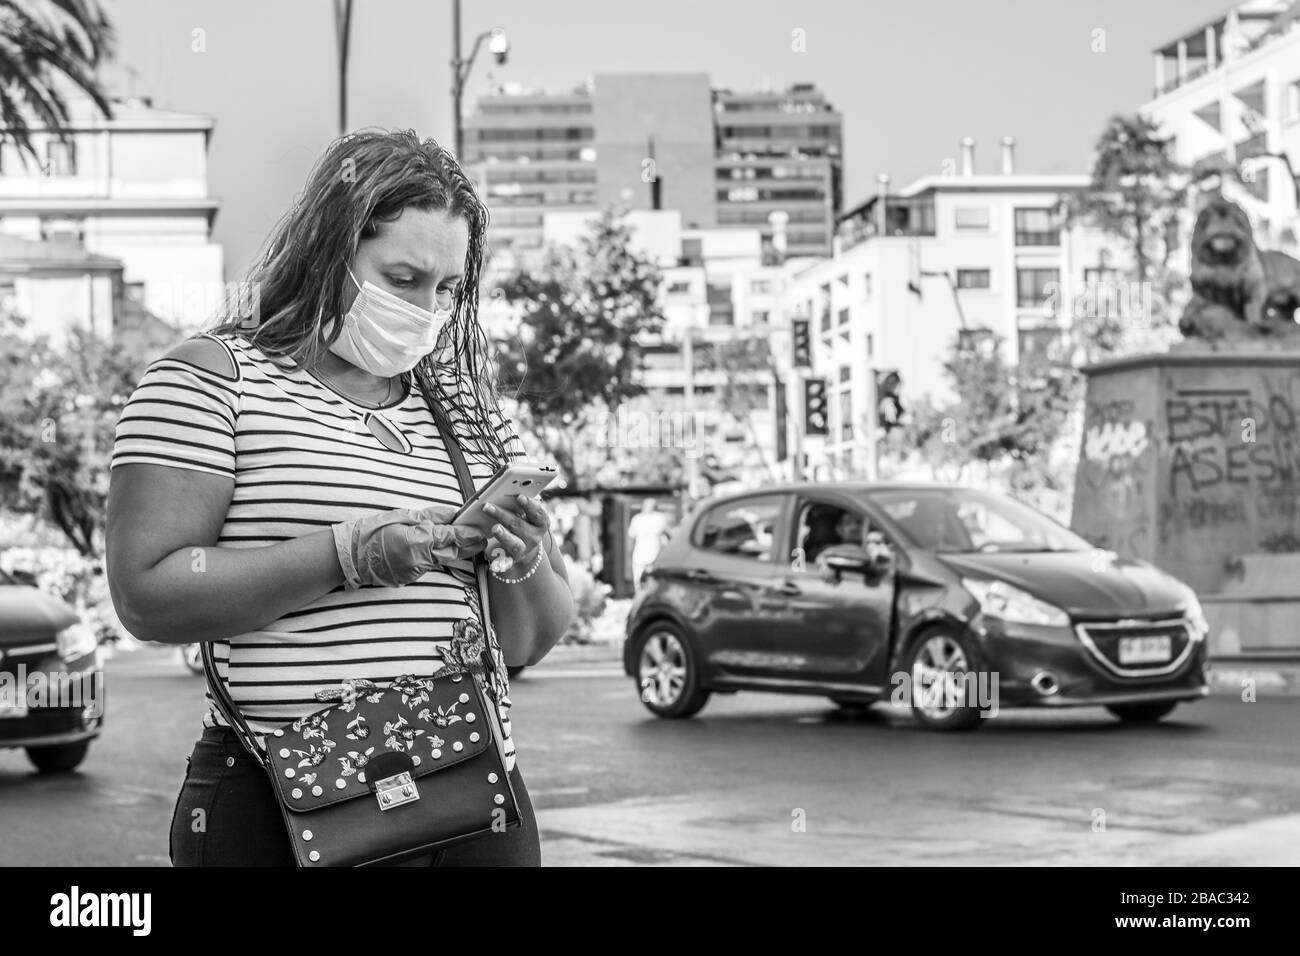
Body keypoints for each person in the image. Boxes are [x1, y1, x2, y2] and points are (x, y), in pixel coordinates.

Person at [105, 130, 574, 867]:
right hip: (287, 804)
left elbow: (527, 641)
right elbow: (147, 596)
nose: (428, 308)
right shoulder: (209, 381)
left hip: (472, 795)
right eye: (402, 278)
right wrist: (348, 554)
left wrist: (521, 559)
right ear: (331, 253)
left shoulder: (460, 408)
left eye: (447, 288)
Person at [815, 510, 894, 582]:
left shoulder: (876, 548)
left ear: (866, 528)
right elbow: (821, 558)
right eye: (848, 523)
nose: (854, 527)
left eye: (859, 522)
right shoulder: (828, 550)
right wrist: (824, 565)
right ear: (839, 530)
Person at [626, 498, 670, 586]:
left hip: (640, 556)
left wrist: (629, 556)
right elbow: (667, 537)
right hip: (655, 555)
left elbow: (631, 539)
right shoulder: (660, 517)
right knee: (653, 583)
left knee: (639, 582)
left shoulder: (637, 519)